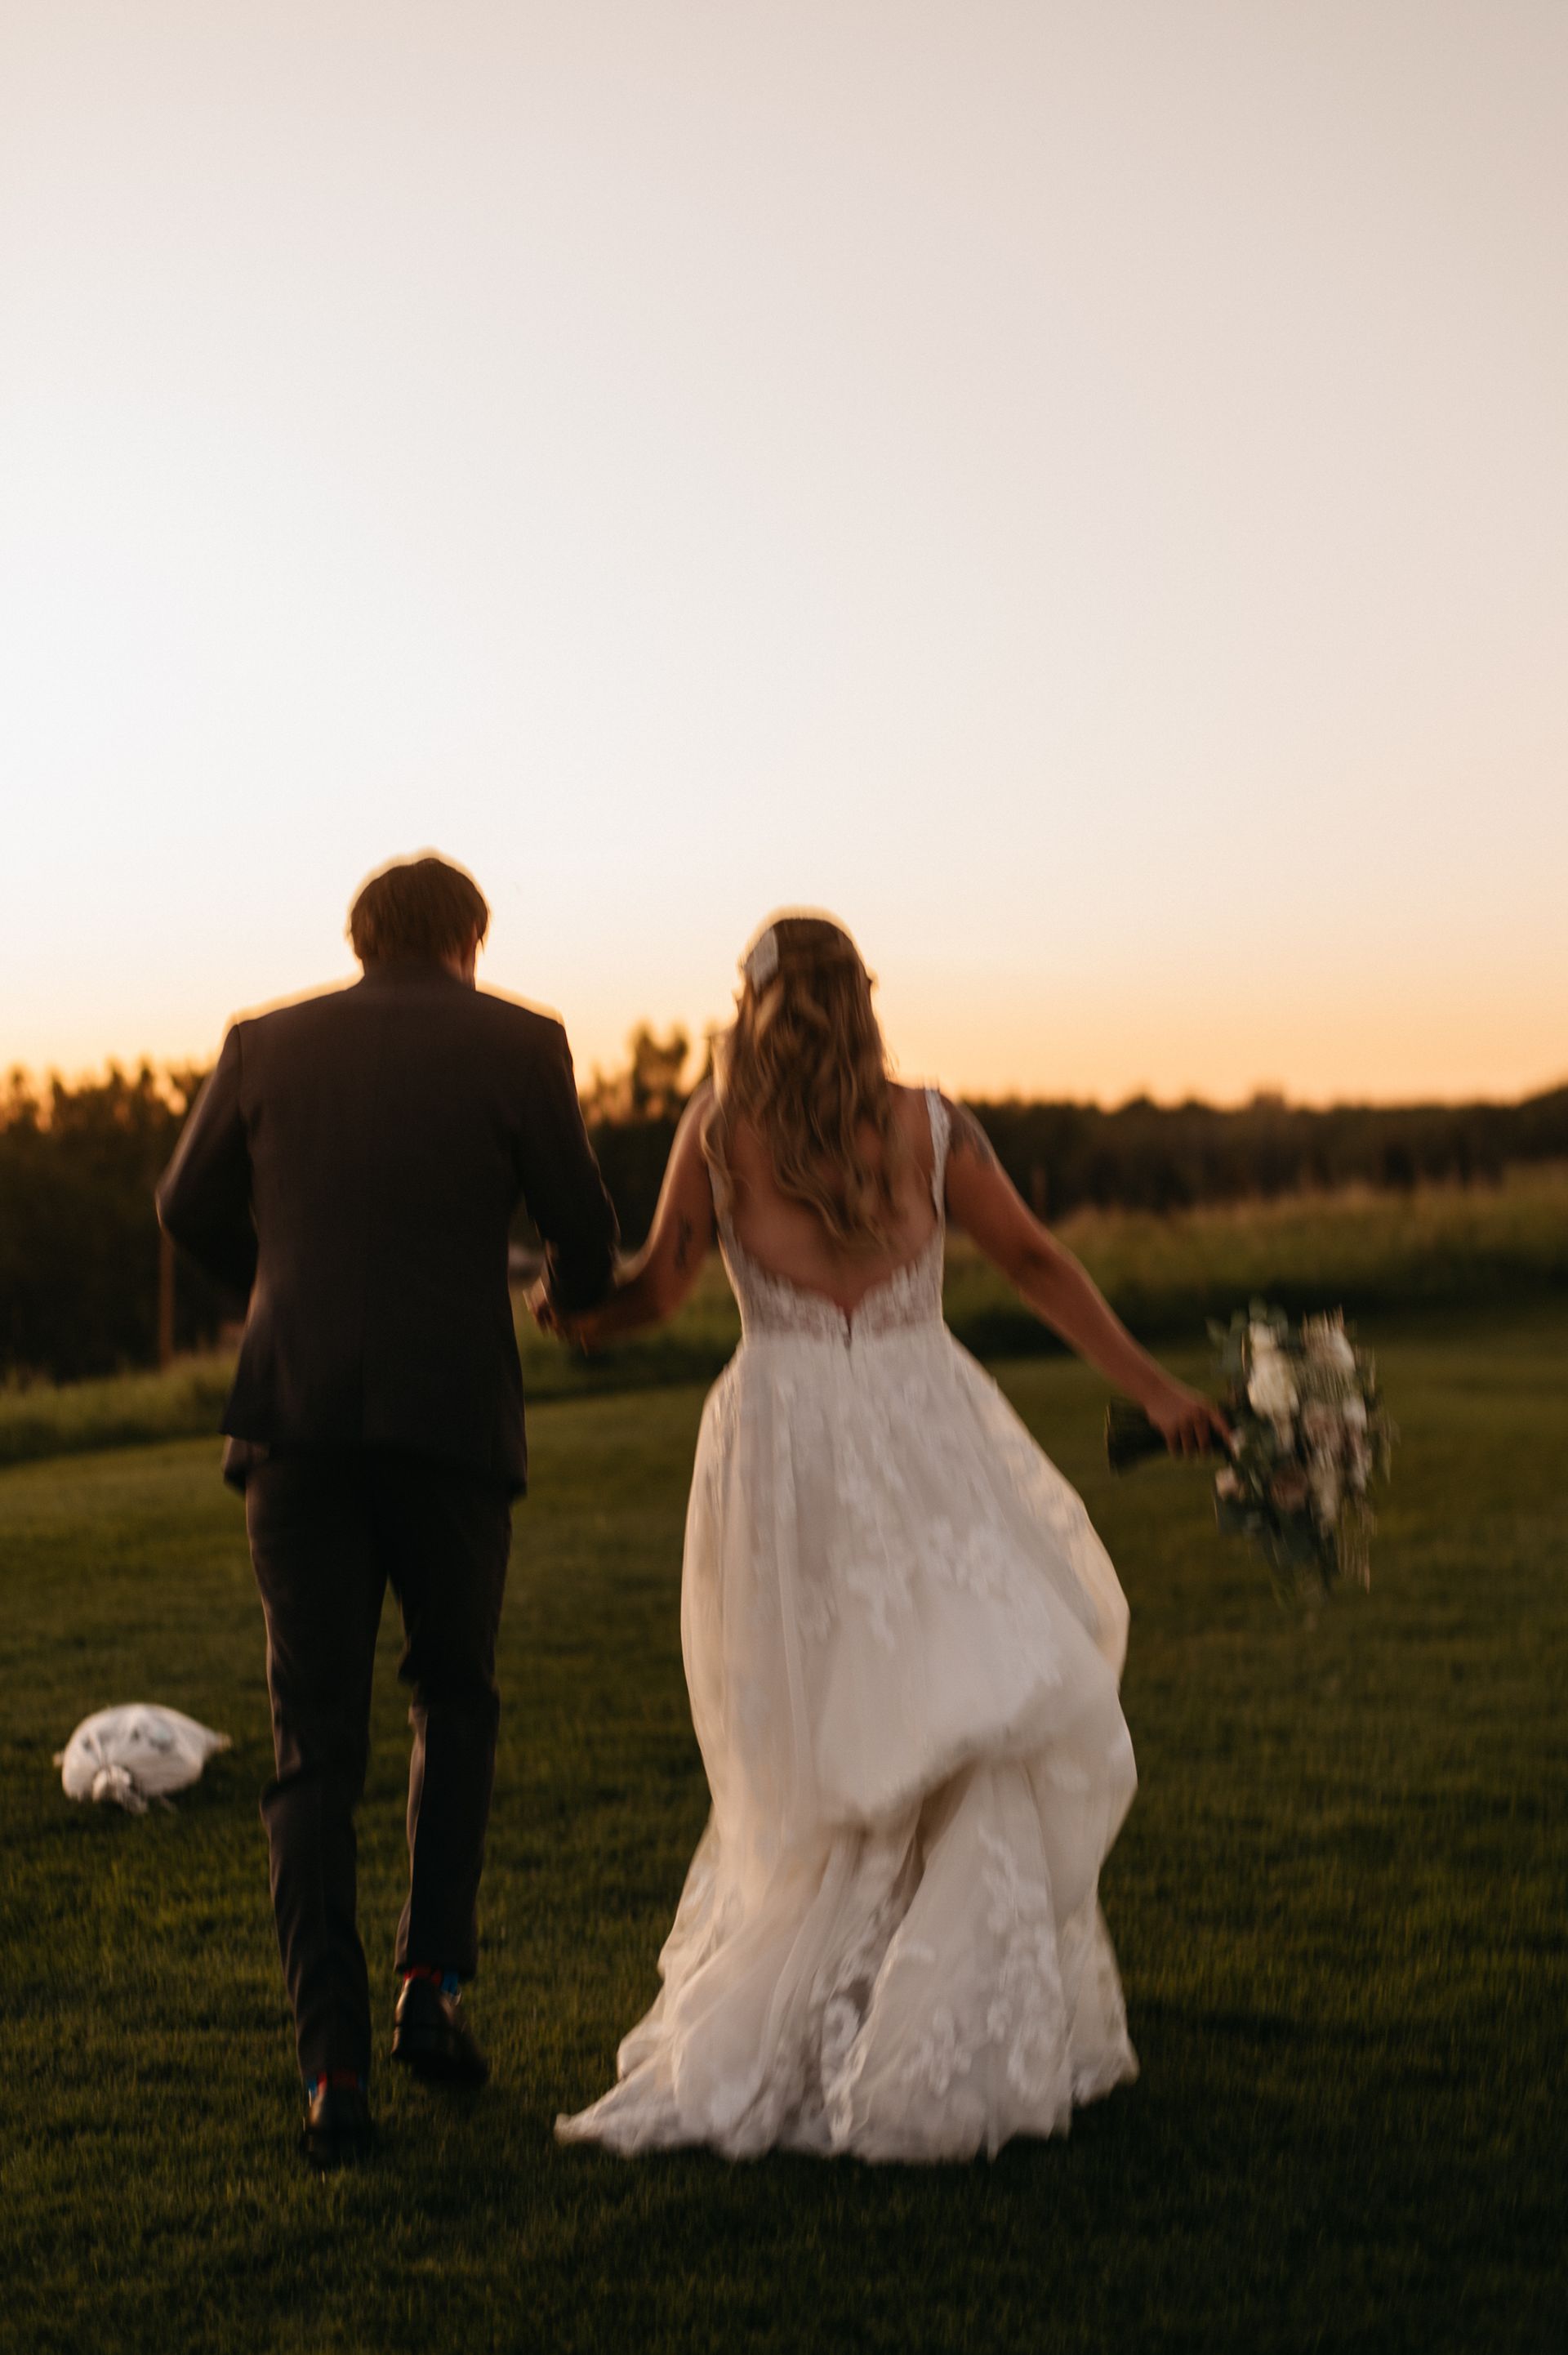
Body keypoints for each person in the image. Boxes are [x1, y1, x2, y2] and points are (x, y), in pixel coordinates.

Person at [542, 912, 1225, 2161]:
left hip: (785, 1438)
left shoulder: (717, 1128)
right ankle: (944, 2007)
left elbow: (659, 1288)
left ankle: (880, 1999)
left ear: (750, 1004)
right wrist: (1159, 1389)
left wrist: (580, 1315)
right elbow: (1035, 1262)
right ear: (861, 998)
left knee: (833, 1717)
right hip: (923, 1415)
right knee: (967, 1683)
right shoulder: (930, 1124)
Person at [157, 853, 617, 2170]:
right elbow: (584, 1230)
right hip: (451, 1424)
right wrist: (565, 1298)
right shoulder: (522, 1041)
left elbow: (183, 1206)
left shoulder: (262, 1042)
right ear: (469, 939)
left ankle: (333, 2072)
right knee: (454, 1698)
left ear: (361, 940)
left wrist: (278, 1286)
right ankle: (431, 1988)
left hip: (292, 1421)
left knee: (313, 1750)